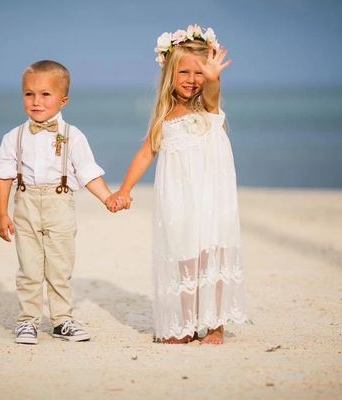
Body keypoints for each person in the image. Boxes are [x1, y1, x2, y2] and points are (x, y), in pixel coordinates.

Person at [107, 25, 248, 344]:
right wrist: (124, 189)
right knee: (184, 257)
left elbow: (211, 90)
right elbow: (146, 153)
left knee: (211, 253)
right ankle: (184, 324)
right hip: (178, 202)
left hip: (211, 198)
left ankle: (215, 325)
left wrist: (213, 77)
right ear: (169, 72)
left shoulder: (209, 109)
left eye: (198, 72)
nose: (192, 79)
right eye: (184, 71)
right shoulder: (165, 116)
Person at [0, 60, 121, 344]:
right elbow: (3, 177)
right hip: (25, 204)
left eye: (45, 94)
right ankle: (28, 321)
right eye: (29, 94)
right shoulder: (13, 137)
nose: (36, 101)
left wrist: (108, 198)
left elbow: (88, 172)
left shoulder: (73, 136)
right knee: (29, 268)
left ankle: (62, 320)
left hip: (59, 203)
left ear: (63, 100)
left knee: (59, 267)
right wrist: (2, 214)